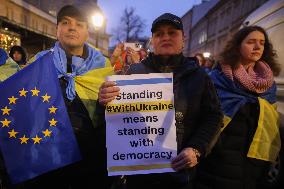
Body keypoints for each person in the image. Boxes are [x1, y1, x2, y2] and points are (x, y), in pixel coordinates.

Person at [98, 13, 223, 189]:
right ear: (152, 40)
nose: (165, 37)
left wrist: (196, 148)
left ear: (183, 39)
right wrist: (104, 101)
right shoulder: (133, 73)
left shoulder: (199, 76)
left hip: (181, 175)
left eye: (172, 33)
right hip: (139, 175)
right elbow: (114, 120)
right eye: (159, 34)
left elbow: (214, 116)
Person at [2, 4, 113, 189]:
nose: (72, 27)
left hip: (90, 165)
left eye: (79, 24)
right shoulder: (38, 63)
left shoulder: (104, 68)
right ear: (57, 30)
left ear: (88, 32)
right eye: (65, 22)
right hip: (48, 163)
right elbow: (19, 103)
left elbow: (116, 117)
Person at [195, 26, 281, 189]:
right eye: (251, 42)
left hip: (254, 164)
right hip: (218, 163)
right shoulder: (216, 80)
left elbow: (270, 124)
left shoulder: (269, 85)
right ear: (237, 46)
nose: (257, 47)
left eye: (262, 43)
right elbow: (202, 120)